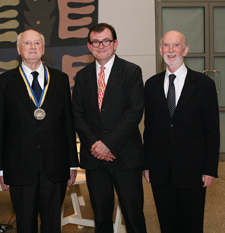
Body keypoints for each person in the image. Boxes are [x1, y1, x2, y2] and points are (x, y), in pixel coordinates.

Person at [0, 29, 79, 233]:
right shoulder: (4, 82)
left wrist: (72, 163)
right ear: (18, 49)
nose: (32, 47)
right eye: (27, 43)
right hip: (19, 167)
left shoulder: (60, 79)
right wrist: (1, 168)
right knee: (25, 224)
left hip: (55, 166)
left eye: (37, 44)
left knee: (52, 224)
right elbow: (0, 128)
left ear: (43, 49)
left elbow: (68, 123)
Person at [72, 23, 147, 233]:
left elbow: (134, 112)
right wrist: (95, 145)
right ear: (89, 46)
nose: (101, 45)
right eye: (96, 42)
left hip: (125, 158)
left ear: (115, 44)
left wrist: (108, 144)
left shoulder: (131, 71)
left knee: (134, 218)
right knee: (101, 219)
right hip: (94, 159)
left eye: (106, 41)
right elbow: (77, 116)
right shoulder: (82, 76)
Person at [143, 31, 220, 233]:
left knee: (192, 225)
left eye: (176, 45)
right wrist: (147, 165)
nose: (170, 50)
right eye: (166, 45)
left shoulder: (204, 85)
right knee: (167, 225)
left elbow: (212, 131)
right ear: (160, 50)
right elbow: (148, 129)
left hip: (193, 170)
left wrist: (210, 168)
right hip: (160, 170)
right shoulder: (151, 84)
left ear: (185, 50)